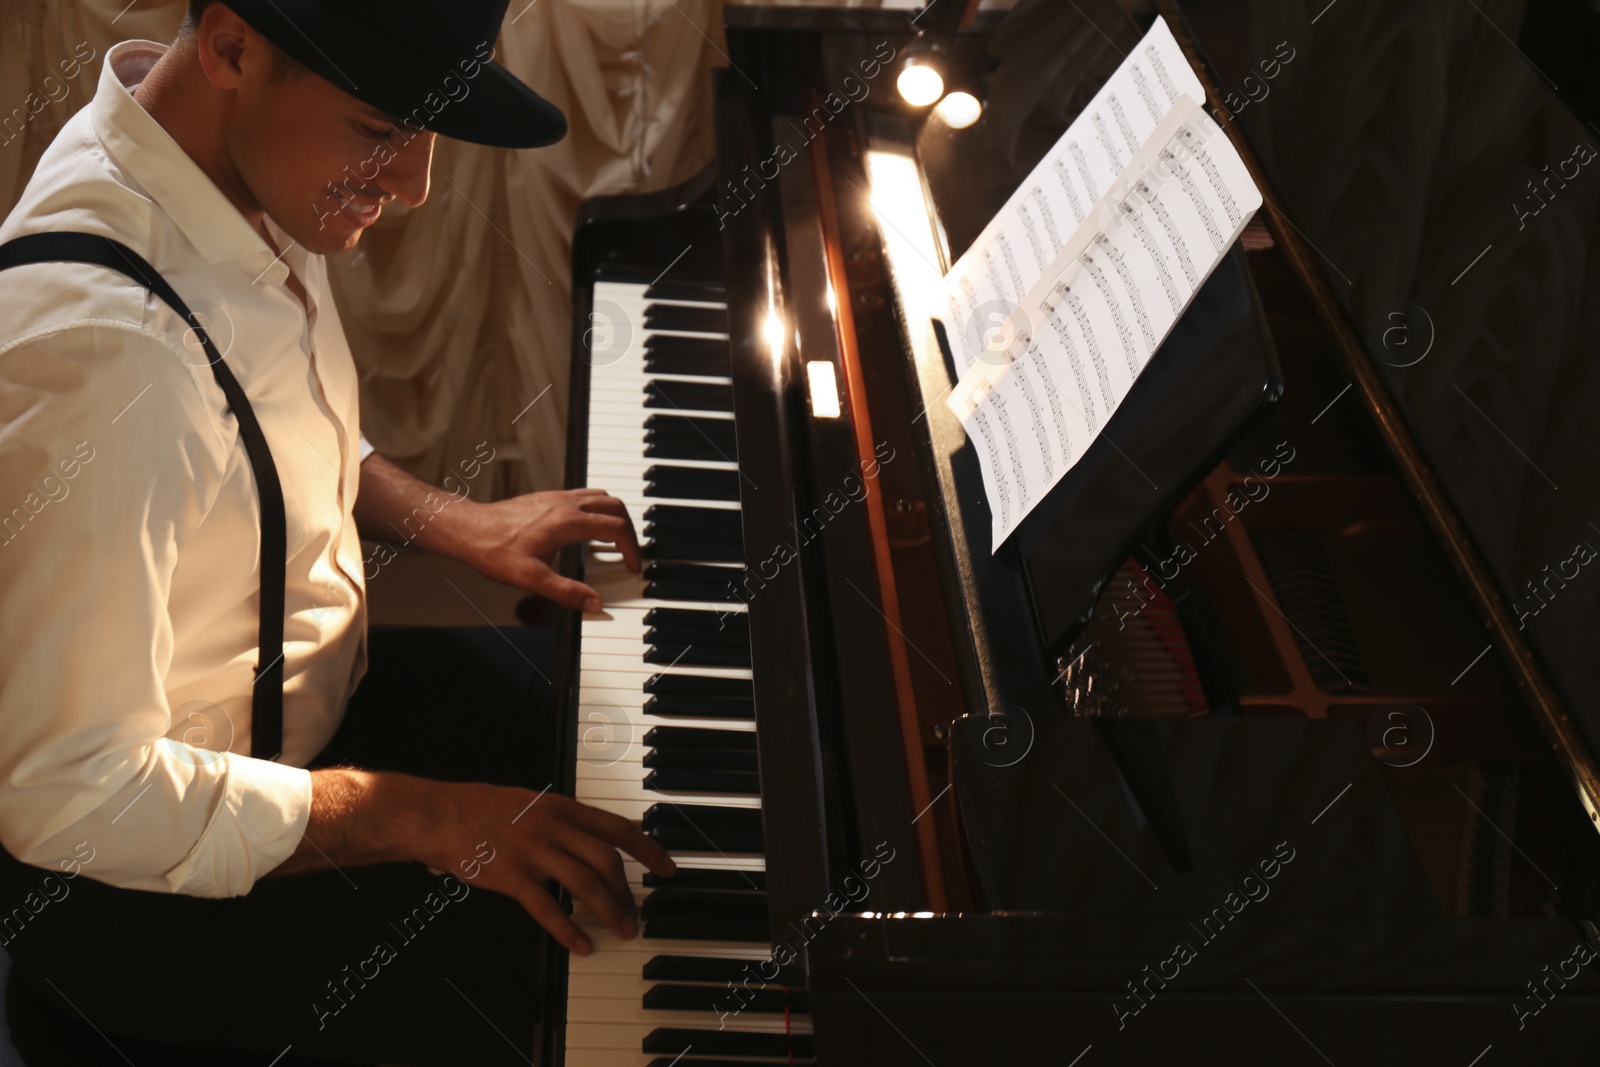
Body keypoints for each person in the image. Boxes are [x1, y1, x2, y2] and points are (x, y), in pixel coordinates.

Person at [0, 2, 673, 1063]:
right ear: (230, 47)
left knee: (622, 734)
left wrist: (448, 518)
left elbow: (257, 415)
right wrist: (423, 815)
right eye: (378, 129)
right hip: (143, 892)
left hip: (315, 704)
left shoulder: (217, 165)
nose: (415, 184)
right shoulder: (101, 355)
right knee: (602, 990)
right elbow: (65, 795)